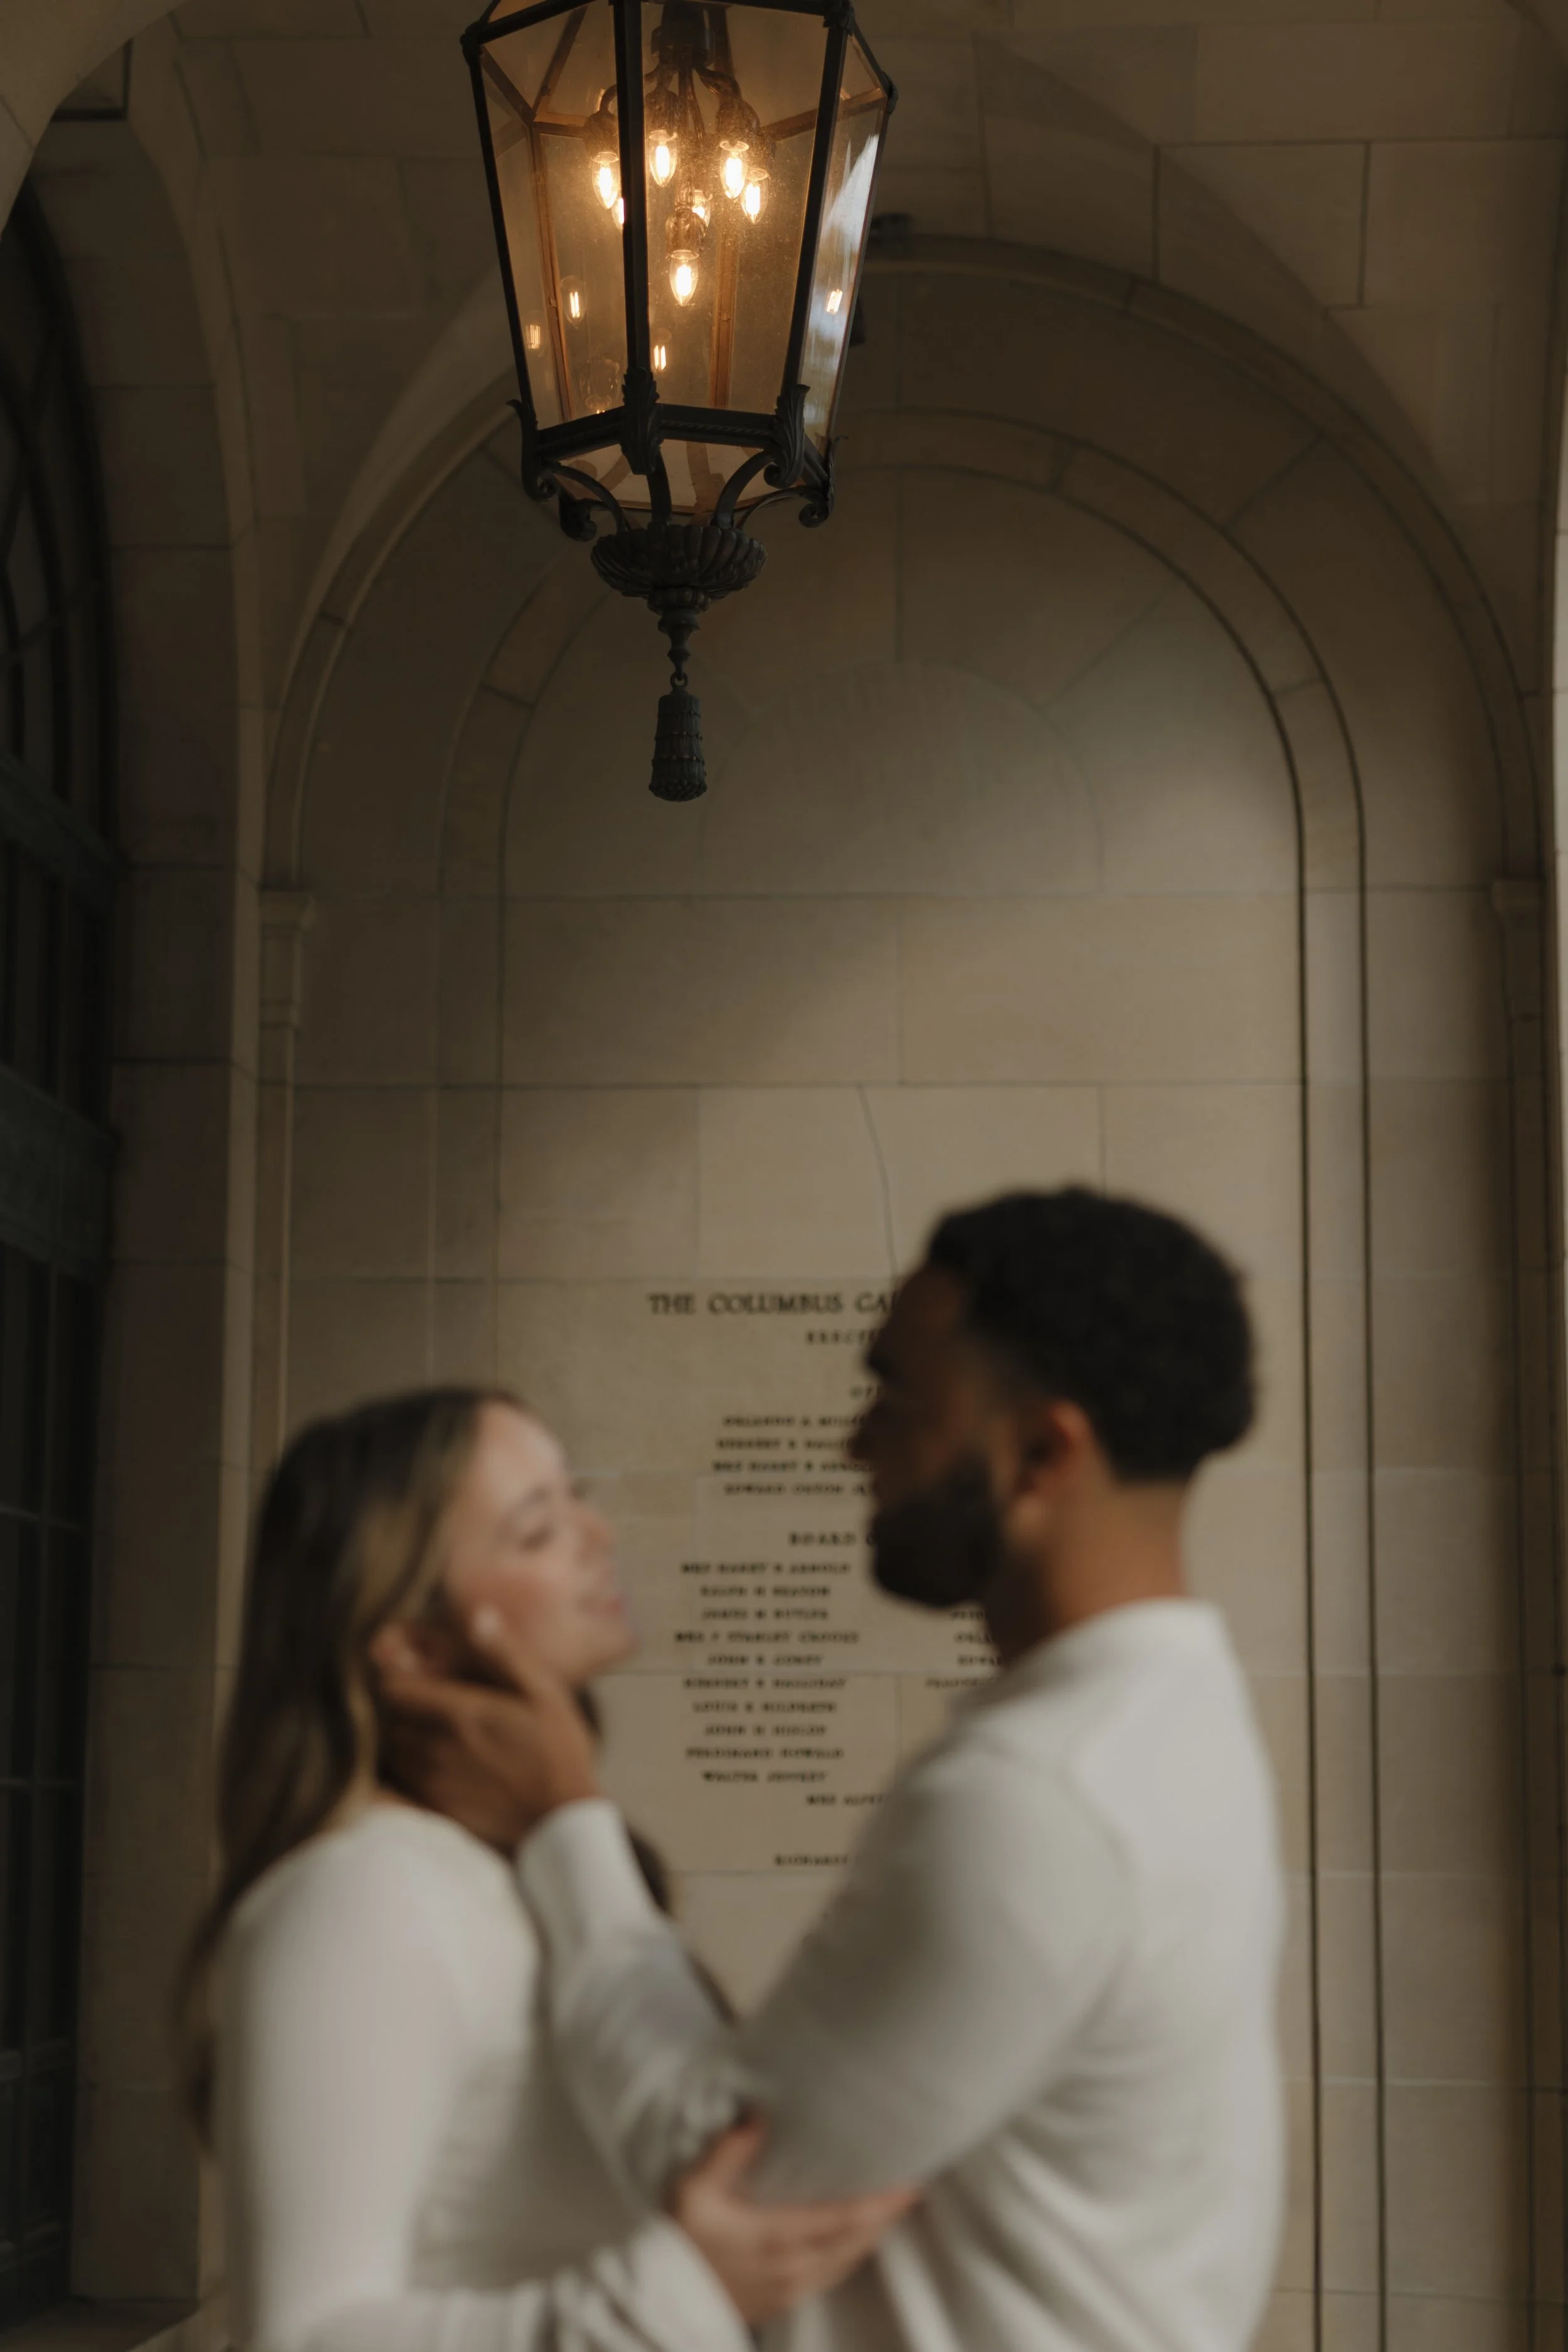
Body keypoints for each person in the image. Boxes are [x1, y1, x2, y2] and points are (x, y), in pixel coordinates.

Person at [381, 1188, 1288, 2352]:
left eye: (895, 1393)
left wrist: (562, 1813)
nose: (853, 1441)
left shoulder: (1039, 1795)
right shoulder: (1182, 1713)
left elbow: (716, 2173)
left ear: (1042, 1451)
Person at [180, 1388, 915, 2352]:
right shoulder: (358, 1899)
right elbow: (305, 2336)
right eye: (538, 1529)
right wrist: (678, 2294)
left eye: (579, 1497)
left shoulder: (511, 1871)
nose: (600, 1534)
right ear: (409, 1642)